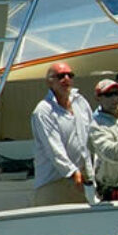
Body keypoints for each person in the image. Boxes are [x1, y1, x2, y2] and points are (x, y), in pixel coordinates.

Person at [30, 62, 95, 206]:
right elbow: (54, 149)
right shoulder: (43, 111)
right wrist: (73, 173)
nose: (66, 79)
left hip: (82, 182)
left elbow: (93, 136)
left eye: (70, 75)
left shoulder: (81, 102)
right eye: (60, 76)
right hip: (53, 184)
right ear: (49, 82)